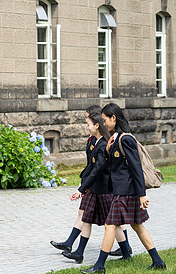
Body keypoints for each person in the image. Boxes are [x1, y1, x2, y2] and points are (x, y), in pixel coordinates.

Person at [82, 103, 166, 273]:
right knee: (137, 225)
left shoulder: (125, 138)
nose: (103, 123)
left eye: (105, 120)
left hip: (126, 192)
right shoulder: (115, 138)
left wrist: (142, 195)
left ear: (114, 118)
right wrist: (107, 150)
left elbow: (135, 168)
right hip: (122, 191)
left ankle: (99, 266)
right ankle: (158, 261)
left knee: (110, 226)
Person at [61, 109, 131, 264]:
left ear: (97, 125)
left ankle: (126, 253)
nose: (87, 127)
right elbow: (91, 169)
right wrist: (83, 186)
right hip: (96, 190)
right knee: (86, 218)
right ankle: (79, 252)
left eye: (88, 124)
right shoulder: (96, 142)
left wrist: (81, 189)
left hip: (105, 191)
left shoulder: (103, 145)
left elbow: (97, 171)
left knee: (115, 224)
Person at [50, 106, 100, 254]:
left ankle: (125, 247)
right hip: (91, 182)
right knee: (83, 213)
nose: (85, 122)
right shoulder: (93, 139)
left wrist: (83, 186)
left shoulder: (100, 141)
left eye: (87, 118)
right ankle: (71, 245)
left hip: (100, 185)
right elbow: (91, 165)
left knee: (114, 221)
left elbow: (96, 166)